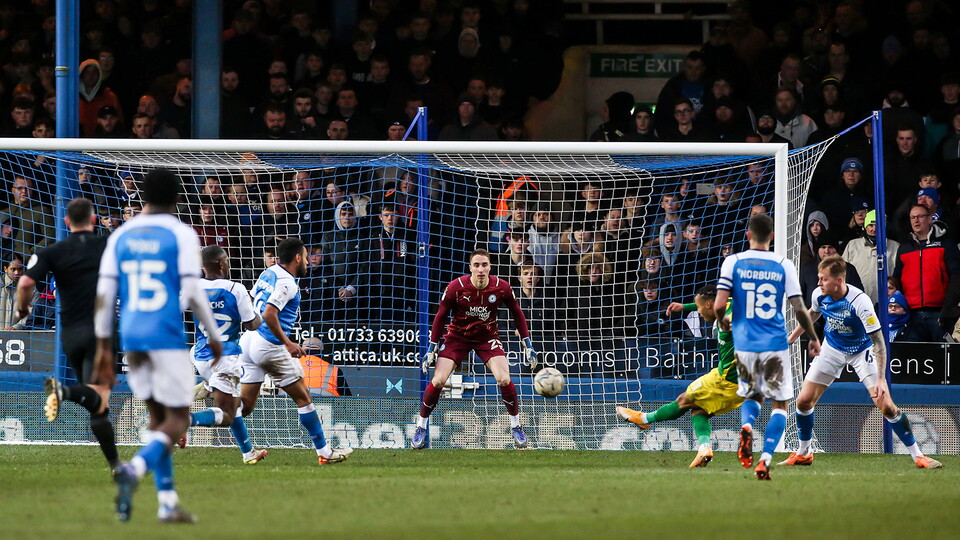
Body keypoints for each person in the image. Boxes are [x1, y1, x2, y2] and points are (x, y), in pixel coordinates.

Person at [94, 168, 223, 523]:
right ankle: (133, 470)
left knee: (157, 420)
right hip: (165, 335)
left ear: (144, 197)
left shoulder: (121, 235)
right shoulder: (181, 233)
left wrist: (105, 348)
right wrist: (213, 335)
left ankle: (167, 502)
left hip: (131, 336)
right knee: (178, 419)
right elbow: (193, 291)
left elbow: (104, 294)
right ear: (177, 198)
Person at [783, 256, 942, 469]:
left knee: (885, 406)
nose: (819, 283)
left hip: (861, 351)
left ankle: (918, 456)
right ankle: (804, 452)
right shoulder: (819, 295)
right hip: (832, 348)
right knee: (803, 402)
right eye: (819, 278)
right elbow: (812, 314)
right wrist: (791, 339)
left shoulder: (860, 302)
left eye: (823, 279)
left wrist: (881, 378)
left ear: (838, 281)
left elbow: (878, 341)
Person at [714, 214, 820, 480]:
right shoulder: (784, 264)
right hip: (774, 342)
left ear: (748, 235)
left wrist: (723, 322)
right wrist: (813, 337)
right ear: (772, 236)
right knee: (780, 404)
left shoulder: (732, 262)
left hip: (745, 342)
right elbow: (798, 307)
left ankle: (748, 425)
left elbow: (717, 306)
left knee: (752, 397)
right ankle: (765, 459)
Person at [16, 198, 118, 473]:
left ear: (66, 222)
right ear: (94, 219)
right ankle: (62, 391)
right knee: (101, 396)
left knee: (97, 403)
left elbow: (25, 281)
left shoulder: (52, 250)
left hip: (70, 333)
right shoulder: (108, 245)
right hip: (102, 331)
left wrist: (22, 308)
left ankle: (116, 466)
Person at [239, 237, 352, 465]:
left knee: (245, 406)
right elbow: (270, 314)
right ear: (298, 257)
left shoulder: (268, 272)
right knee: (304, 399)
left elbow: (250, 300)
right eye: (307, 257)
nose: (309, 262)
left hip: (248, 341)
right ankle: (324, 452)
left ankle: (195, 417)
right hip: (268, 345)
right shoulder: (288, 283)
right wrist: (288, 343)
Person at [413, 248, 537, 449]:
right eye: (477, 265)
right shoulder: (456, 287)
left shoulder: (501, 287)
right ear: (470, 267)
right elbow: (440, 316)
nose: (481, 269)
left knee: (504, 379)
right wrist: (432, 348)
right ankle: (421, 426)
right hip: (457, 337)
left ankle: (516, 426)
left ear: (490, 267)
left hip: (487, 338)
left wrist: (527, 344)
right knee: (438, 381)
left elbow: (517, 313)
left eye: (484, 265)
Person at [617, 284, 742, 468]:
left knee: (684, 399)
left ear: (709, 305)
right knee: (699, 410)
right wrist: (684, 307)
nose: (698, 312)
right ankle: (704, 448)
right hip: (742, 381)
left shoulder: (729, 322)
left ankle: (644, 419)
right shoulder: (729, 303)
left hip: (726, 380)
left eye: (698, 308)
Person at [181, 245, 267, 465]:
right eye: (227, 260)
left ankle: (248, 452)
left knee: (234, 404)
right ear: (221, 264)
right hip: (225, 358)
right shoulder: (235, 289)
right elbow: (251, 324)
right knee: (226, 413)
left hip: (200, 356)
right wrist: (258, 312)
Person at [892, 204, 960, 341]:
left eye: (920, 216)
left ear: (930, 219)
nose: (916, 220)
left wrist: (949, 308)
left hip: (940, 313)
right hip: (912, 314)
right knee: (914, 358)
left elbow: (956, 277)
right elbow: (896, 279)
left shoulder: (946, 244)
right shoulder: (904, 248)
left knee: (943, 356)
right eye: (912, 217)